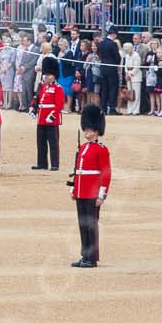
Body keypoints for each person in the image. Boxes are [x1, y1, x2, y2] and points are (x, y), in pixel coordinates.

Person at [69, 105, 110, 268]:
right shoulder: (83, 148)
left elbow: (105, 173)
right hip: (81, 191)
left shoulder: (102, 149)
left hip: (92, 192)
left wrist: (102, 194)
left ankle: (92, 258)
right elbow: (77, 171)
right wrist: (73, 187)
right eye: (85, 130)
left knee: (91, 225)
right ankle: (84, 255)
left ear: (97, 131)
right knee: (82, 224)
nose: (86, 133)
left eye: (89, 130)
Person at [32, 72, 65, 170]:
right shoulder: (42, 86)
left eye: (49, 75)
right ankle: (42, 164)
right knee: (41, 142)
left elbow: (59, 104)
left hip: (51, 119)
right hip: (41, 118)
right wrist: (33, 109)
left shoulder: (58, 87)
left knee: (53, 143)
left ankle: (54, 164)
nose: (46, 77)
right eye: (46, 75)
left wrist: (52, 116)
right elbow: (38, 100)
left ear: (54, 76)